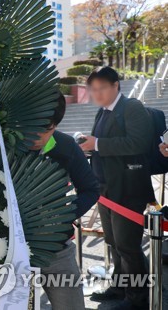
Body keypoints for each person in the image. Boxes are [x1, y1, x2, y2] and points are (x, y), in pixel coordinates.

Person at [79, 66, 154, 310]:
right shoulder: (102, 112)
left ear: (116, 86)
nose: (97, 94)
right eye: (93, 90)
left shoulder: (131, 107)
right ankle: (119, 287)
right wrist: (88, 147)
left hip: (128, 189)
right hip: (105, 188)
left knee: (128, 246)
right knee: (113, 242)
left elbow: (138, 143)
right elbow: (100, 146)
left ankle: (137, 298)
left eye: (101, 88)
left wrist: (98, 144)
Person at [29, 93, 100, 310]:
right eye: (32, 125)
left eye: (46, 128)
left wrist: (65, 216)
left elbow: (91, 189)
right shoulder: (7, 143)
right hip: (13, 251)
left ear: (56, 125)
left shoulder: (66, 146)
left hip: (57, 248)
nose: (37, 135)